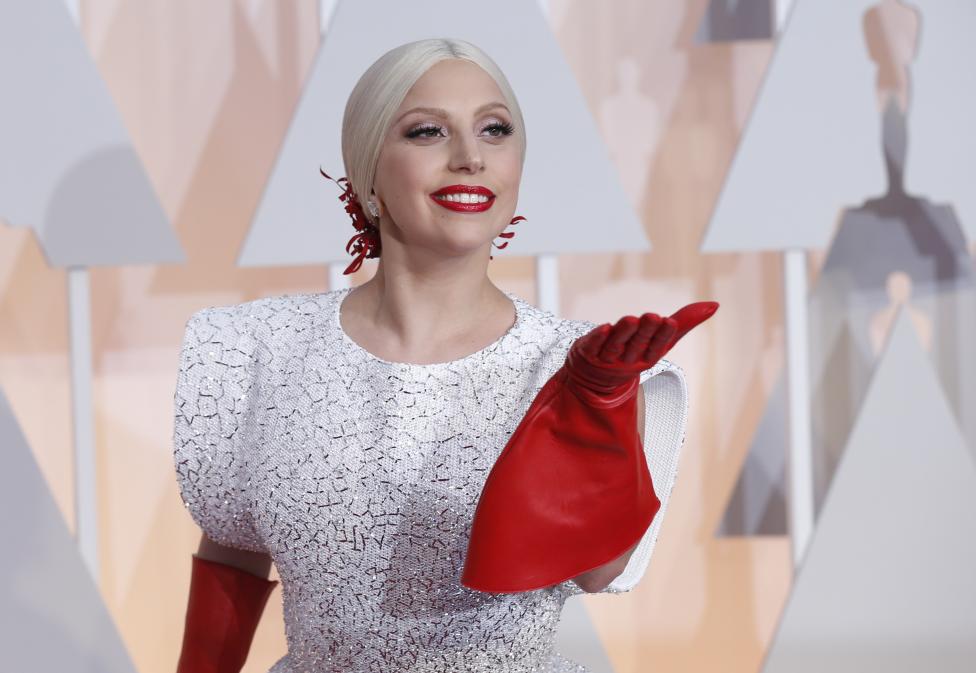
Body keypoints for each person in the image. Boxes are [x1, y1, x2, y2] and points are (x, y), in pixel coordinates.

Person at [173, 37, 713, 673]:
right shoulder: (261, 350)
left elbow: (599, 572)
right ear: (367, 170)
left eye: (495, 129)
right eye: (427, 131)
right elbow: (233, 555)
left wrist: (596, 410)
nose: (470, 158)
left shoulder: (578, 365)